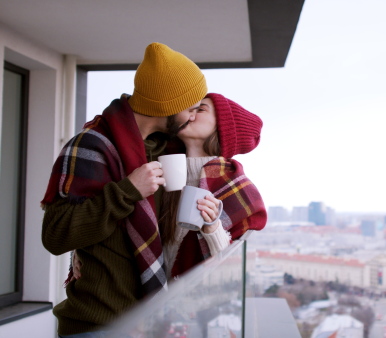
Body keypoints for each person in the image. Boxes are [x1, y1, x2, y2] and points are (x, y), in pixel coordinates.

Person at [41, 42, 214, 337]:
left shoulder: (164, 149)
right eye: (190, 108)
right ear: (166, 106)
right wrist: (128, 190)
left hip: (148, 324)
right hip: (98, 325)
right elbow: (56, 234)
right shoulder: (92, 145)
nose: (193, 116)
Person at [158, 93, 268, 279]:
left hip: (185, 299)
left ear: (222, 128)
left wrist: (213, 227)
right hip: (148, 296)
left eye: (200, 109)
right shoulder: (160, 167)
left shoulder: (236, 187)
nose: (189, 113)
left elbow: (226, 265)